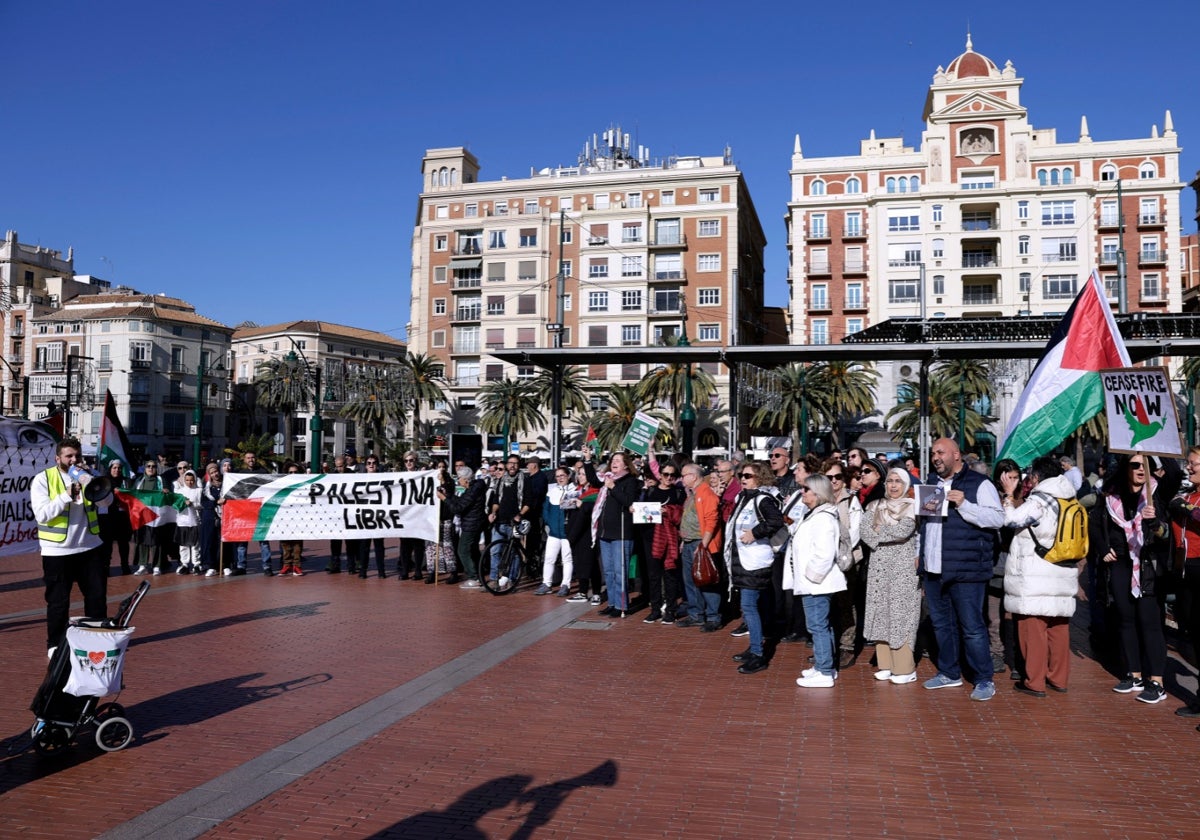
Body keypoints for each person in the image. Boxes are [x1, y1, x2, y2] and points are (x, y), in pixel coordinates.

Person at [1093, 453, 1182, 704]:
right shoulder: (1111, 494)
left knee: (1150, 622)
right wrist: (1102, 548)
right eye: (1135, 465)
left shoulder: (1157, 491)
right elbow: (1095, 523)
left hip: (1148, 564)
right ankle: (1133, 674)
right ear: (1125, 468)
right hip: (1121, 563)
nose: (1141, 469)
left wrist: (1160, 447)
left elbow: (1174, 473)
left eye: (1146, 465)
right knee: (1125, 618)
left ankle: (1156, 681)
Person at [920, 438, 1004, 701]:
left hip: (967, 569)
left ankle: (983, 678)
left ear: (956, 454)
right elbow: (926, 525)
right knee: (942, 625)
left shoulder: (980, 484)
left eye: (941, 452)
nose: (936, 457)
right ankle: (949, 672)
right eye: (933, 453)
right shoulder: (931, 484)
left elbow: (997, 519)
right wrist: (919, 556)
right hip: (934, 569)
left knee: (971, 626)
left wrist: (965, 505)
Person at [999, 456, 1081, 698]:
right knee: (1058, 627)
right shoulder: (1070, 497)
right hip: (1062, 569)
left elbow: (1011, 519)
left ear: (1036, 477)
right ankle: (1058, 678)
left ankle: (1034, 681)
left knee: (1032, 628)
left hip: (1036, 573)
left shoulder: (1041, 499)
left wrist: (1008, 496)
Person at [31, 437, 108, 656]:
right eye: (69, 456)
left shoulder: (87, 477)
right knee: (58, 602)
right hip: (58, 551)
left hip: (90, 547)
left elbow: (106, 503)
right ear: (58, 458)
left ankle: (96, 641)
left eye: (77, 455)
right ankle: (55, 645)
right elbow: (42, 514)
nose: (74, 460)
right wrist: (65, 495)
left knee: (96, 598)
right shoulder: (42, 479)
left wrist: (92, 482)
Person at [861, 467, 921, 684]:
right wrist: (878, 532)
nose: (893, 486)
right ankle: (886, 664)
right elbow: (865, 532)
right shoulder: (875, 505)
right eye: (890, 481)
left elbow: (903, 531)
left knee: (900, 614)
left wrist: (879, 530)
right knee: (880, 611)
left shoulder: (913, 507)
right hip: (879, 569)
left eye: (898, 481)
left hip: (902, 570)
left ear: (906, 486)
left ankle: (905, 668)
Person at [725, 461, 784, 674]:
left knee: (749, 606)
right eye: (741, 474)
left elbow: (776, 521)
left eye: (748, 475)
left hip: (755, 561)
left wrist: (755, 533)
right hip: (742, 559)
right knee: (750, 607)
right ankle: (755, 647)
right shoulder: (743, 497)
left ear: (759, 478)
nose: (743, 478)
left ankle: (759, 654)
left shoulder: (763, 499)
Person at [787, 474, 845, 688]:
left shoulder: (823, 518)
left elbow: (824, 553)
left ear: (818, 493)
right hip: (811, 582)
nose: (802, 492)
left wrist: (811, 576)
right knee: (821, 625)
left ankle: (824, 671)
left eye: (806, 489)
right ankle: (825, 666)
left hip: (817, 583)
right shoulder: (813, 515)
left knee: (818, 626)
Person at [594, 452, 640, 618]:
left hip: (621, 532)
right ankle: (612, 603)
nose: (614, 462)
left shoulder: (631, 482)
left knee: (620, 571)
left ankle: (622, 605)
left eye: (618, 461)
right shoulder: (606, 480)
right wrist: (587, 459)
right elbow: (592, 480)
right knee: (609, 572)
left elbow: (629, 501)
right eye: (612, 460)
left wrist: (613, 487)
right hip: (605, 532)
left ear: (626, 465)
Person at [440, 465, 488, 588]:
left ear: (466, 479)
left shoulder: (473, 490)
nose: (458, 481)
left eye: (459, 478)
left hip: (472, 524)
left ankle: (474, 577)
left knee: (462, 550)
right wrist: (449, 495)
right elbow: (462, 501)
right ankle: (479, 574)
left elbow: (458, 508)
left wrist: (444, 499)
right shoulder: (474, 488)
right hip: (474, 522)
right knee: (472, 550)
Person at [536, 466, 578, 597]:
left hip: (567, 532)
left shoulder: (575, 490)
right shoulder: (552, 491)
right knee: (549, 558)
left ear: (568, 476)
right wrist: (550, 523)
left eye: (562, 476)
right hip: (554, 532)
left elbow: (575, 511)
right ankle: (546, 584)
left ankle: (565, 585)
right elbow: (546, 509)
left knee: (567, 559)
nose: (560, 478)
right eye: (558, 476)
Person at [566, 460, 603, 604]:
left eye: (583, 474)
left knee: (591, 562)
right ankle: (582, 591)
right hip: (576, 531)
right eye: (579, 474)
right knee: (580, 561)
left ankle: (596, 592)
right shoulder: (577, 491)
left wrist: (584, 505)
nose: (580, 476)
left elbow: (596, 509)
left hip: (589, 531)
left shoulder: (596, 492)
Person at [96, 459, 133, 575]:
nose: (117, 470)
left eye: (119, 468)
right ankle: (106, 566)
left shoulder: (126, 482)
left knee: (123, 543)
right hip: (107, 517)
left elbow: (132, 495)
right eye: (114, 468)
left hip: (122, 517)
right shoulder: (104, 481)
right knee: (107, 544)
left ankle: (125, 565)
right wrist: (112, 491)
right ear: (110, 469)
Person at [132, 458, 167, 575]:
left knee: (156, 541)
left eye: (153, 466)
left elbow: (168, 495)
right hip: (142, 515)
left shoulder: (161, 480)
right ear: (145, 468)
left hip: (156, 516)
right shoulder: (139, 481)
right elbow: (133, 495)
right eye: (148, 466)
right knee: (142, 540)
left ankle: (157, 565)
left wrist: (166, 492)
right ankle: (143, 565)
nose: (151, 468)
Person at [279, 461, 306, 576]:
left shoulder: (304, 485)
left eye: (295, 472)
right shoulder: (281, 484)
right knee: (285, 542)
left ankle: (297, 566)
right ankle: (286, 565)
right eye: (290, 472)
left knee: (297, 543)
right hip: (285, 516)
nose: (293, 474)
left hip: (298, 516)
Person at [174, 469, 203, 574]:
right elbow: (175, 505)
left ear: (195, 480)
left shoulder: (199, 491)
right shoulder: (179, 491)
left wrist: (192, 504)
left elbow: (201, 505)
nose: (189, 482)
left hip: (195, 521)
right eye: (187, 480)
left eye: (191, 480)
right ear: (184, 480)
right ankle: (184, 564)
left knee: (195, 544)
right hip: (182, 521)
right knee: (183, 544)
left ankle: (196, 564)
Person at [199, 462, 224, 576]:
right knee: (209, 541)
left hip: (223, 517)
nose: (215, 474)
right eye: (212, 472)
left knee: (221, 542)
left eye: (216, 471)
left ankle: (223, 565)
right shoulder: (206, 487)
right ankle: (210, 565)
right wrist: (215, 502)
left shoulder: (225, 484)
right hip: (209, 517)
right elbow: (203, 502)